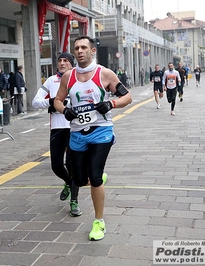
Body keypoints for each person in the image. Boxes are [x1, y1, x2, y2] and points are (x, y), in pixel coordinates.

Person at [54, 36, 132, 241]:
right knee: (79, 180)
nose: (80, 51)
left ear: (92, 51)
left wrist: (111, 104)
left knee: (95, 178)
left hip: (101, 130)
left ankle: (99, 222)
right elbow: (58, 100)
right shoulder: (68, 77)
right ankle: (96, 178)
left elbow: (127, 97)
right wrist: (65, 110)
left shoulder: (104, 74)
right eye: (76, 48)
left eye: (84, 48)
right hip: (77, 132)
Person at [32, 52, 81, 217]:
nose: (62, 63)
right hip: (58, 128)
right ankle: (68, 183)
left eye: (65, 60)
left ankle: (74, 201)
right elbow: (35, 101)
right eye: (59, 60)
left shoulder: (79, 78)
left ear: (71, 64)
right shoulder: (51, 81)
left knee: (72, 165)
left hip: (75, 128)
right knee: (56, 165)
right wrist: (51, 102)